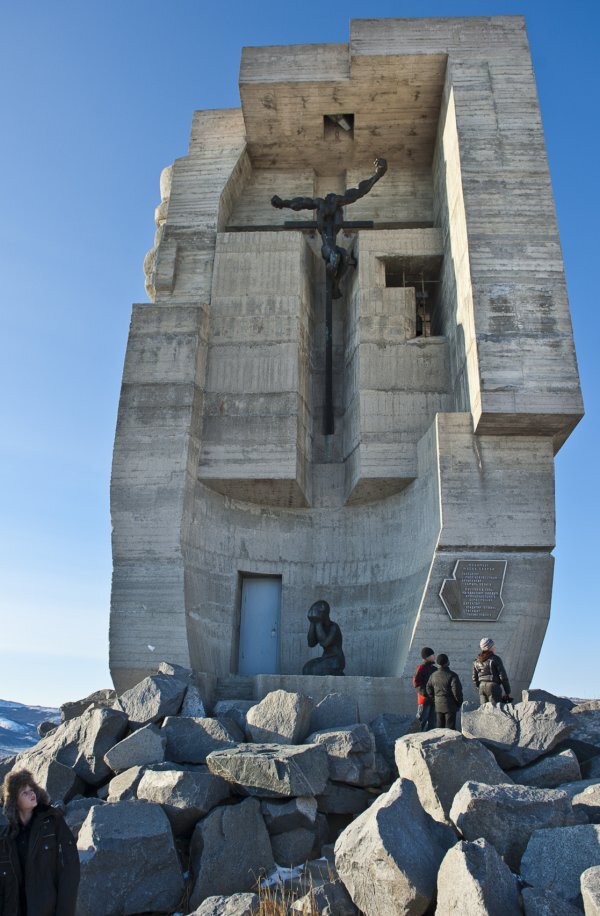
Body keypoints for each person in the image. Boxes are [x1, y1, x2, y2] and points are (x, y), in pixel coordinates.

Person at [0, 769, 80, 916]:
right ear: (14, 802)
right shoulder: (6, 836)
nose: (32, 794)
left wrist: (64, 911)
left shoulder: (53, 822)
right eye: (24, 792)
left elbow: (70, 869)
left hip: (46, 909)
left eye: (32, 790)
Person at [426, 654, 464, 730]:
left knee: (439, 728)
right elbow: (457, 692)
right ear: (447, 662)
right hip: (450, 705)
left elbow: (428, 688)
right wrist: (459, 703)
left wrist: (435, 699)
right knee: (450, 729)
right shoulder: (452, 675)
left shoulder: (433, 675)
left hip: (438, 705)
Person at [472, 637, 513, 706]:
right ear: (490, 647)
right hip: (493, 687)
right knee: (495, 712)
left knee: (484, 712)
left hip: (482, 687)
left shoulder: (476, 661)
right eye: (493, 646)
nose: (495, 648)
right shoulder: (495, 659)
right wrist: (507, 692)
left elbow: (474, 678)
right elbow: (503, 676)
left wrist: (478, 687)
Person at [412, 647, 437, 731]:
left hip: (434, 700)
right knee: (421, 720)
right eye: (432, 655)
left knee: (433, 722)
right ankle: (415, 739)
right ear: (427, 657)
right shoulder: (421, 668)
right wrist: (426, 693)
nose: (434, 656)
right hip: (424, 700)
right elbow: (416, 683)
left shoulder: (435, 669)